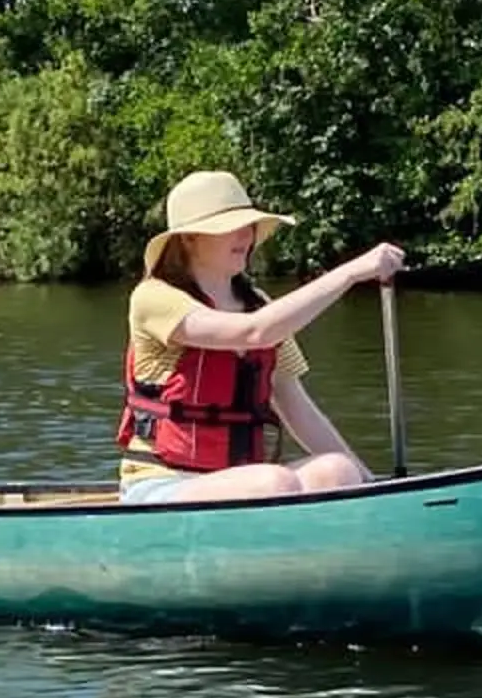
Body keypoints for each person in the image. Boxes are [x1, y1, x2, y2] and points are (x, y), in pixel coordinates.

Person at [117, 170, 405, 505]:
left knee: (337, 471)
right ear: (190, 239)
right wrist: (352, 272)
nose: (246, 235)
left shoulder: (258, 303)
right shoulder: (154, 298)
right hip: (163, 483)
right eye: (229, 227)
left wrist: (369, 484)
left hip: (243, 483)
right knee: (274, 481)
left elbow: (297, 407)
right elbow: (253, 332)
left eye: (249, 225)